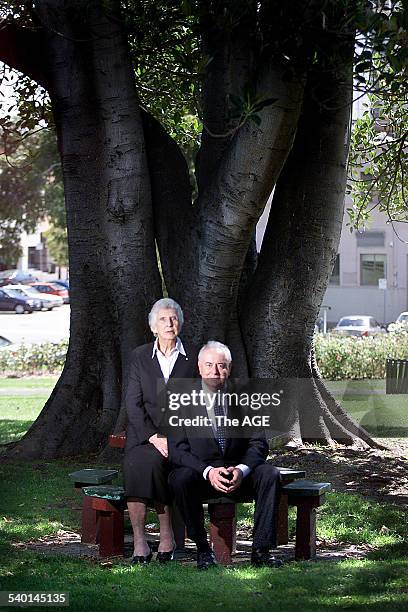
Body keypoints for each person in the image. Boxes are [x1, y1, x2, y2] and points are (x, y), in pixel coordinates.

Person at [168, 341, 283, 570]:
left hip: (237, 472)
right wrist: (208, 472)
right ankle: (202, 550)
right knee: (179, 478)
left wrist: (242, 470)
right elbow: (177, 450)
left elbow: (258, 443)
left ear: (229, 369)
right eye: (209, 365)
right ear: (200, 368)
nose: (215, 372)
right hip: (201, 474)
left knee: (270, 474)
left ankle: (261, 551)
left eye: (221, 366)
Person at [124, 298, 197, 564]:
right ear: (153, 326)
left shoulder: (193, 358)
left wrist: (174, 439)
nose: (169, 323)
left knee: (160, 465)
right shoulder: (140, 356)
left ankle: (166, 536)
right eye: (163, 319)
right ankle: (140, 542)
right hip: (145, 437)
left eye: (173, 318)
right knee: (138, 464)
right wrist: (154, 437)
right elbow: (132, 402)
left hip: (181, 438)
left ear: (180, 323)